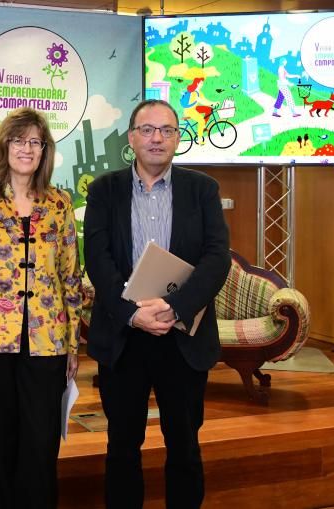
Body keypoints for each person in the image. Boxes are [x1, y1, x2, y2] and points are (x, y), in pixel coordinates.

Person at [83, 99, 230, 508]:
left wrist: (175, 307)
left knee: (184, 446)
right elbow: (97, 260)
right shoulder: (104, 190)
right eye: (147, 130)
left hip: (181, 338)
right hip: (124, 338)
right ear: (131, 138)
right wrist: (133, 314)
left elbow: (217, 257)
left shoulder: (203, 189)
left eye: (167, 130)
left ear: (178, 138)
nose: (156, 138)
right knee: (122, 446)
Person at [0, 107, 83, 509]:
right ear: (3, 145)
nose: (27, 148)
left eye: (35, 141)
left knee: (40, 441)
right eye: (18, 140)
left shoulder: (59, 203)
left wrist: (73, 345)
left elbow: (70, 277)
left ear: (45, 150)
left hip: (47, 340)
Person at [180, 77, 214, 143]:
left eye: (202, 83)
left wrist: (213, 103)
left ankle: (202, 127)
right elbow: (202, 101)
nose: (202, 84)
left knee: (208, 109)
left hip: (193, 109)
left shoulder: (199, 92)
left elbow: (205, 100)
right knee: (201, 121)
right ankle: (199, 139)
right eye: (201, 83)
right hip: (189, 111)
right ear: (197, 83)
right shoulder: (194, 93)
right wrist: (211, 103)